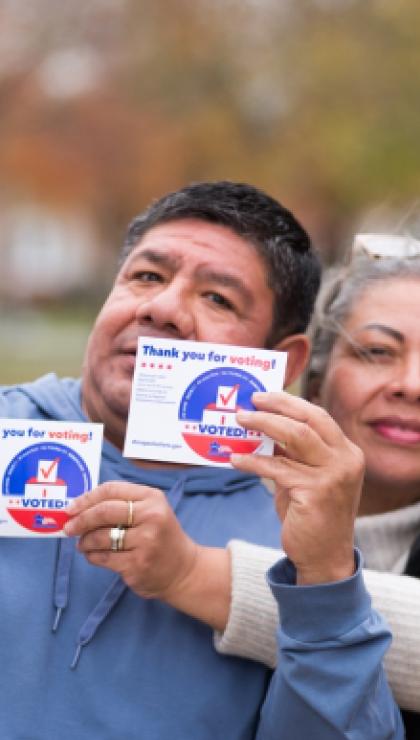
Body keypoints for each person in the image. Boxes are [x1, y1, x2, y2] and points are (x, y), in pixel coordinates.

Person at [0, 184, 403, 740]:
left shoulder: (299, 524)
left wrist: (324, 584)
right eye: (146, 276)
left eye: (218, 298)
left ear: (283, 361)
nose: (162, 309)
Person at [158, 234, 420, 736]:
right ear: (312, 380)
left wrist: (189, 571)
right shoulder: (210, 494)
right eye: (378, 351)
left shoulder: (183, 548)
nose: (410, 383)